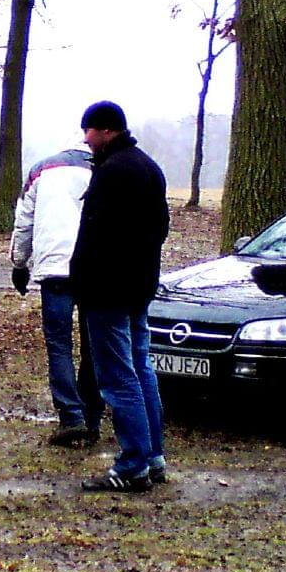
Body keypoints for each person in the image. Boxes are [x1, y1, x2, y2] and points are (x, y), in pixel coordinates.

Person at [68, 100, 169, 493]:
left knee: (117, 377)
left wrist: (82, 282)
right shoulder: (149, 167)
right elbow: (160, 229)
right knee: (142, 370)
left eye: (89, 130)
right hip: (138, 288)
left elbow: (96, 236)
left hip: (106, 291)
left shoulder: (112, 172)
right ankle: (153, 457)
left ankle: (133, 464)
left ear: (106, 130)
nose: (85, 138)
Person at [11, 140, 101, 448]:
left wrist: (19, 264)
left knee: (59, 344)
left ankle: (71, 417)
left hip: (55, 268)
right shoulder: (106, 169)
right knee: (94, 345)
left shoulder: (42, 170)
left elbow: (24, 222)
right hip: (94, 269)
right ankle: (91, 416)